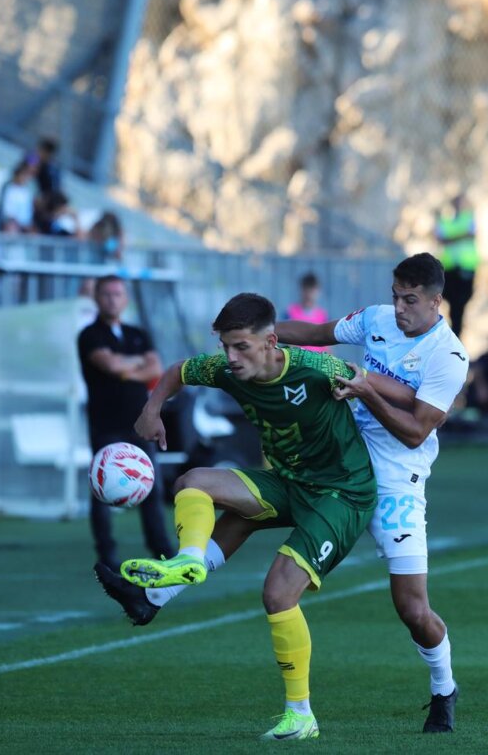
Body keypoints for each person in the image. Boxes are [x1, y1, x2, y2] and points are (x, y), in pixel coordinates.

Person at [102, 254, 468, 733]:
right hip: (330, 458)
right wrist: (262, 342)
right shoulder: (378, 318)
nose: (398, 307)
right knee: (239, 510)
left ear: (435, 300)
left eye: (410, 299)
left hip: (395, 476)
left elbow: (417, 430)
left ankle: (444, 688)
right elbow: (317, 334)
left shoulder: (450, 356)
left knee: (412, 608)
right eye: (396, 295)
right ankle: (157, 595)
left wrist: (366, 391)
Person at [112, 292, 377, 741]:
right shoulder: (225, 370)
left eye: (241, 347)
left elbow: (362, 378)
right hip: (289, 483)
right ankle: (188, 561)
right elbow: (178, 371)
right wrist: (152, 408)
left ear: (272, 341)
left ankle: (301, 715)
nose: (230, 358)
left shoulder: (315, 370)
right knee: (193, 480)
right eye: (225, 346)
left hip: (341, 494)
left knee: (277, 594)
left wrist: (362, 386)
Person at [77, 275, 172, 569]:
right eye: (106, 294)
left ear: (125, 299)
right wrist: (134, 365)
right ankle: (106, 554)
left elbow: (156, 367)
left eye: (117, 294)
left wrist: (125, 369)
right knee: (101, 488)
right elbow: (110, 365)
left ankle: (162, 549)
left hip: (139, 421)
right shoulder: (90, 335)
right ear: (96, 298)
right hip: (105, 423)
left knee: (150, 485)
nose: (112, 299)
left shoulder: (137, 333)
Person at [435, 193, 477, 336]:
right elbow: (440, 238)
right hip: (450, 268)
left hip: (465, 267)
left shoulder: (468, 218)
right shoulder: (447, 221)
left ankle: (456, 336)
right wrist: (459, 236)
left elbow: (470, 235)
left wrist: (451, 238)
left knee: (459, 306)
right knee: (448, 301)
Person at [283, 272, 328, 353]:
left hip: (318, 363)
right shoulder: (290, 313)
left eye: (312, 291)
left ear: (318, 291)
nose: (309, 295)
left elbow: (328, 345)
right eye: (306, 290)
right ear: (301, 290)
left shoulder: (323, 316)